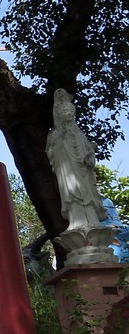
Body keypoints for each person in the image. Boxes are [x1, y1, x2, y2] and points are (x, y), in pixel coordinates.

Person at [47, 89, 108, 232]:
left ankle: (93, 220)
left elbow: (88, 149)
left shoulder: (78, 133)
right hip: (68, 171)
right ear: (59, 114)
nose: (68, 113)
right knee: (73, 194)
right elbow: (50, 153)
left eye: (70, 110)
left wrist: (89, 155)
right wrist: (60, 146)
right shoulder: (55, 134)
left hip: (82, 170)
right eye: (65, 111)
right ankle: (76, 221)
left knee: (88, 194)